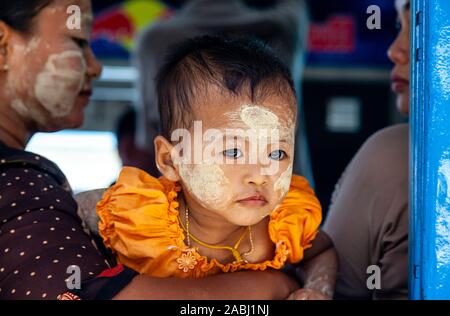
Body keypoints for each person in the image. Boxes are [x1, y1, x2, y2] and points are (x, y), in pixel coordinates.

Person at [0, 0, 320, 300]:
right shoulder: (124, 213)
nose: (96, 67)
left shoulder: (283, 224)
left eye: (277, 153)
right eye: (79, 42)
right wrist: (270, 286)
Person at [74, 35, 337, 300]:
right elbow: (66, 210)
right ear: (171, 160)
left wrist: (316, 289)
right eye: (233, 151)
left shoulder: (285, 224)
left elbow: (322, 252)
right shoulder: (138, 214)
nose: (260, 174)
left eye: (277, 152)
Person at [134, 0, 314, 184]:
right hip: (286, 195)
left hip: (187, 199)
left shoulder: (154, 41)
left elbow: (147, 138)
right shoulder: (283, 27)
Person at [322, 0, 410, 299]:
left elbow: (331, 288)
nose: (394, 50)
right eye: (400, 27)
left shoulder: (394, 153)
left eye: (420, 26)